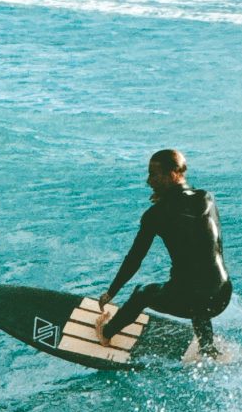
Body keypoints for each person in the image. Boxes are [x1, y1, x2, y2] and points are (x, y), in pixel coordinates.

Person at [96, 149, 232, 358]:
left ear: (173, 174)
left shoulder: (156, 215)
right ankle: (207, 348)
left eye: (153, 174)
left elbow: (134, 259)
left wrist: (111, 292)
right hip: (222, 293)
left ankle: (106, 332)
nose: (148, 181)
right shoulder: (206, 198)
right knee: (200, 282)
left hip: (193, 298)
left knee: (143, 292)